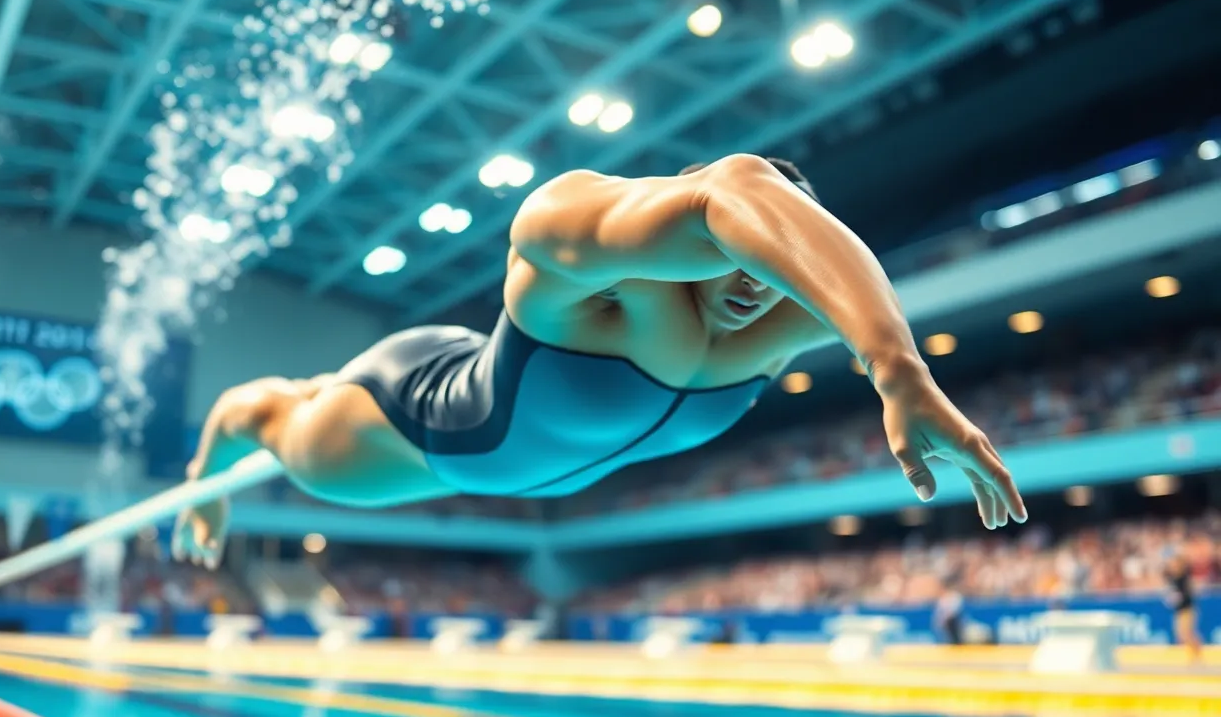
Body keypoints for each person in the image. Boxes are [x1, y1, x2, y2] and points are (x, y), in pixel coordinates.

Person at [173, 155, 1027, 568]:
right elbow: (733, 190)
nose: (749, 285)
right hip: (414, 421)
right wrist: (899, 372)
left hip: (519, 456)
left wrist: (890, 352)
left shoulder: (785, 317)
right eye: (731, 252)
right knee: (286, 430)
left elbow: (838, 260)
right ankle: (200, 474)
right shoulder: (575, 243)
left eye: (768, 268)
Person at [1164, 550, 1202, 664]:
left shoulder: (1184, 579)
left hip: (1187, 609)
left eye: (1174, 564)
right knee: (1180, 635)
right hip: (1179, 610)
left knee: (1187, 634)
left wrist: (1177, 598)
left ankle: (1197, 655)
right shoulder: (1173, 579)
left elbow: (1188, 594)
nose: (1172, 567)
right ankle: (1193, 655)